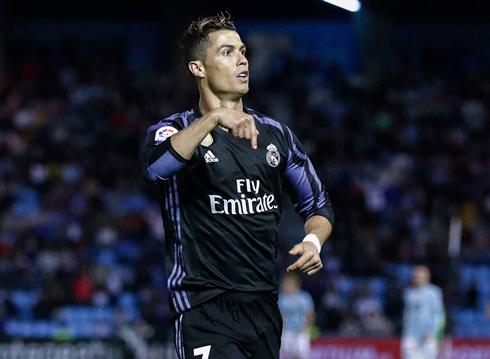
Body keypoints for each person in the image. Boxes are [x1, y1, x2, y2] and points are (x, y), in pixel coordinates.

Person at [139, 13, 334, 359]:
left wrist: (312, 240)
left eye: (243, 51)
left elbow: (317, 204)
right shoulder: (173, 130)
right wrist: (212, 119)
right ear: (198, 68)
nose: (243, 59)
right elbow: (156, 168)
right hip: (203, 306)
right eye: (228, 52)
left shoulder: (277, 135)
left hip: (262, 308)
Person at [401, 266, 445, 359]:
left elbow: (439, 315)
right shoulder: (408, 293)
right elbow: (407, 314)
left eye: (420, 276)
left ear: (427, 277)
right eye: (415, 276)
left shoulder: (434, 292)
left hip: (428, 335)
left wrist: (432, 331)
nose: (417, 278)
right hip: (411, 335)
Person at [278, 273, 315, 359]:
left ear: (296, 284)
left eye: (289, 283)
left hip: (301, 330)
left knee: (302, 355)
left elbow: (309, 313)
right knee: (289, 354)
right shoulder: (282, 298)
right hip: (287, 331)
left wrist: (308, 327)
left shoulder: (304, 297)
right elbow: (280, 314)